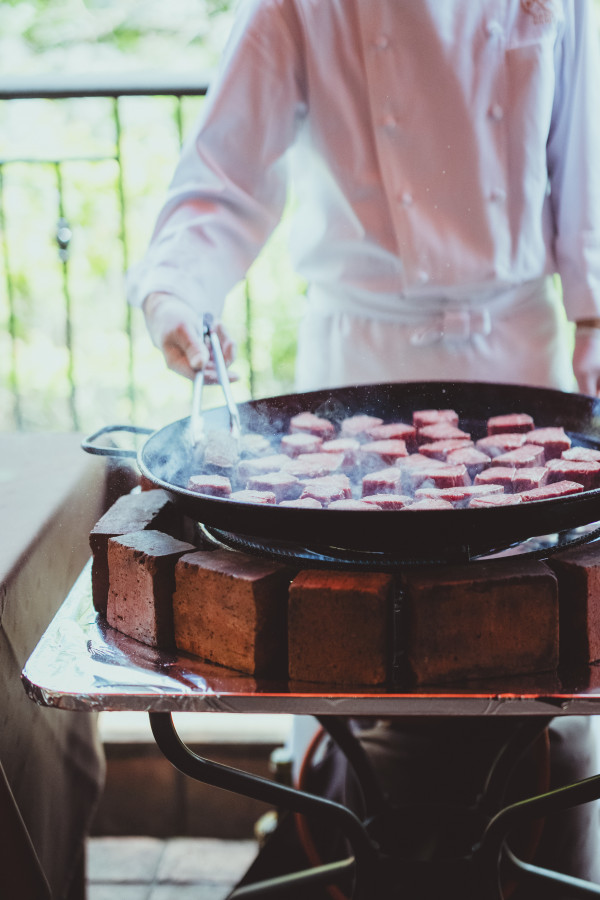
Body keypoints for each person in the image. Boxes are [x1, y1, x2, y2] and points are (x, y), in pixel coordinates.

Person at [129, 1, 600, 894]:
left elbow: (586, 177)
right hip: (358, 369)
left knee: (529, 651)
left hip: (522, 362)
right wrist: (178, 295)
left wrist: (596, 323)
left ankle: (534, 857)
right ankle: (340, 846)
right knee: (346, 643)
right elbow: (222, 177)